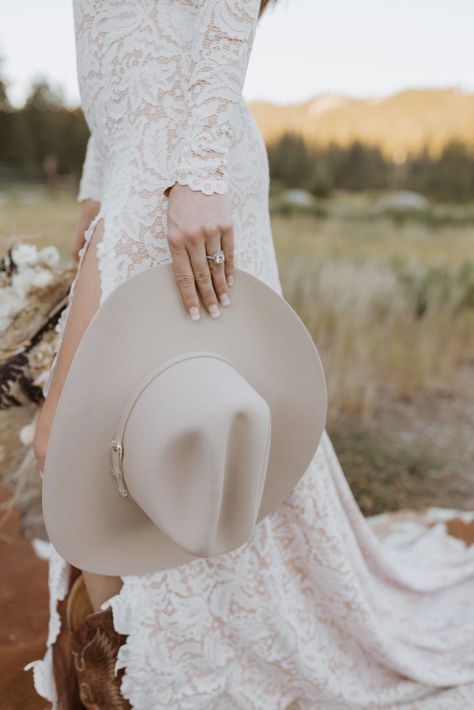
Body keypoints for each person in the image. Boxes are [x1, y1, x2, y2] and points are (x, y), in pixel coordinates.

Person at [26, 0, 474, 707]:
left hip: (178, 173)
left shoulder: (192, 168)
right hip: (134, 162)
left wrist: (198, 170)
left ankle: (131, 671)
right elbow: (116, 53)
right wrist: (94, 183)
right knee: (114, 438)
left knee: (85, 435)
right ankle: (122, 665)